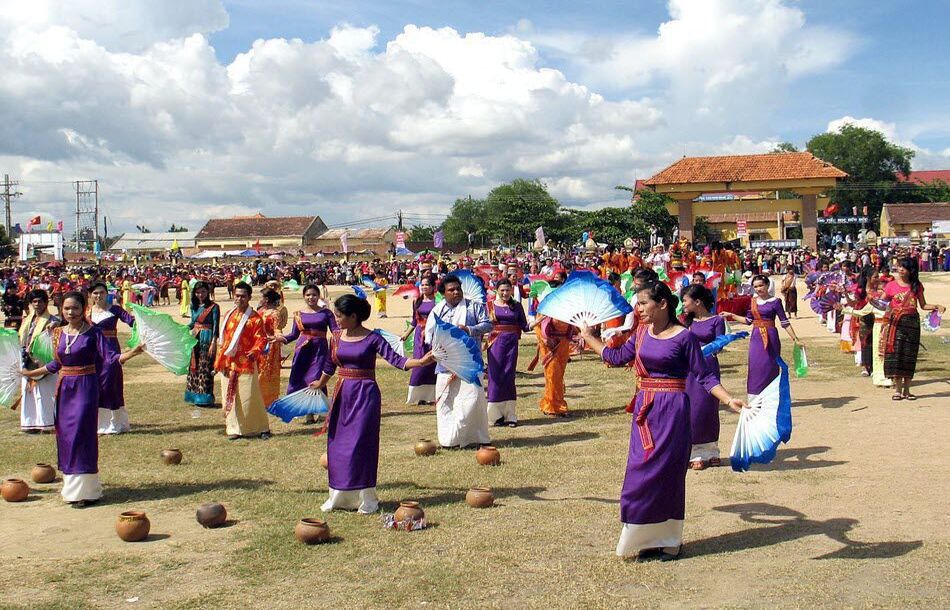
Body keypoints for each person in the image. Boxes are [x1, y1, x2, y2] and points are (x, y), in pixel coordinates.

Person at [579, 282, 744, 559]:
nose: (638, 309)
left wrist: (728, 400)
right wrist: (588, 336)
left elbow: (704, 376)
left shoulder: (684, 337)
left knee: (668, 473)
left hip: (674, 410)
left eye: (643, 303)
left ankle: (669, 540)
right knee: (640, 473)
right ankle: (642, 538)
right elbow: (616, 357)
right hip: (645, 410)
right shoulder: (641, 332)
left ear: (663, 304)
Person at [312, 294, 434, 513]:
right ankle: (337, 497)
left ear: (354, 316)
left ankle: (366, 498)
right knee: (337, 444)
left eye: (339, 316)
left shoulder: (373, 338)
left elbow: (397, 360)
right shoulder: (336, 337)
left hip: (365, 394)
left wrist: (422, 361)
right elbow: (329, 366)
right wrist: (319, 383)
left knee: (361, 444)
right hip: (342, 394)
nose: (336, 320)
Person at [22, 291, 145, 506]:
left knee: (82, 433)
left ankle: (87, 491)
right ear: (62, 310)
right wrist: (30, 374)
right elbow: (55, 364)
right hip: (64, 390)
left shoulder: (94, 333)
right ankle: (72, 490)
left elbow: (111, 358)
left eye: (75, 308)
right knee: (66, 435)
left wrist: (132, 353)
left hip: (86, 387)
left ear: (83, 309)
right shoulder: (58, 333)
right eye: (67, 308)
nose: (71, 312)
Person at [425, 274, 493, 449]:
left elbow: (488, 325)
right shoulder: (437, 311)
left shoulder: (474, 307)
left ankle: (474, 437)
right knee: (446, 402)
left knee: (473, 399)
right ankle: (450, 440)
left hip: (470, 362)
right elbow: (429, 335)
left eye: (458, 288)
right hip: (445, 364)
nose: (456, 292)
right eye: (451, 290)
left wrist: (469, 329)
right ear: (443, 293)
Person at [721, 274, 802, 397]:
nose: (759, 289)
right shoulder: (752, 302)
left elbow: (784, 322)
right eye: (756, 287)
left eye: (761, 285)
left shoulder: (775, 302)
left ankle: (771, 395)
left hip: (771, 336)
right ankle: (755, 395)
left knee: (770, 365)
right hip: (756, 337)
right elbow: (748, 321)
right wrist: (731, 315)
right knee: (756, 365)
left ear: (767, 285)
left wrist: (795, 339)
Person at [881, 258, 945, 400]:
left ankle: (907, 390)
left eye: (904, 267)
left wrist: (937, 306)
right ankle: (897, 390)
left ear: (911, 270)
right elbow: (881, 302)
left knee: (909, 355)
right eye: (899, 267)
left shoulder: (917, 286)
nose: (900, 269)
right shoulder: (890, 285)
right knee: (896, 354)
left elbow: (923, 305)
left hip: (912, 323)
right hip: (896, 323)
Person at [214, 282, 271, 440]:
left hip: (246, 361)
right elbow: (224, 339)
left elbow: (261, 339)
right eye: (237, 295)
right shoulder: (228, 315)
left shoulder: (255, 318)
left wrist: (253, 352)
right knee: (228, 395)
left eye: (243, 296)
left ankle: (260, 427)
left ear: (249, 297)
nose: (239, 299)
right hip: (227, 362)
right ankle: (233, 428)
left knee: (250, 396)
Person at [273, 284, 337, 422]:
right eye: (308, 295)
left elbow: (335, 331)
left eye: (314, 294)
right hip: (302, 349)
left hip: (320, 350)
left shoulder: (327, 313)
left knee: (317, 379)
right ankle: (308, 412)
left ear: (318, 296)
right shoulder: (298, 314)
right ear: (304, 296)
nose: (311, 297)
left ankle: (321, 411)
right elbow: (294, 334)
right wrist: (282, 339)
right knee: (301, 379)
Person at [681, 284, 726, 469]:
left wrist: (704, 349)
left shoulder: (717, 320)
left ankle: (712, 450)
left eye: (685, 300)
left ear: (697, 302)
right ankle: (695, 453)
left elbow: (720, 344)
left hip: (708, 366)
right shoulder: (686, 322)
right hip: (690, 369)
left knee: (708, 408)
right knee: (694, 409)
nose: (683, 304)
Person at [88, 281, 135, 435]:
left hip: (110, 351)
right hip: (92, 352)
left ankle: (114, 423)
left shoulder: (115, 310)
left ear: (107, 293)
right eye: (95, 293)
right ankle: (96, 423)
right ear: (91, 295)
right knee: (94, 385)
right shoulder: (86, 312)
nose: (98, 295)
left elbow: (132, 322)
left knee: (110, 384)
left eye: (101, 292)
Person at [486, 279, 528, 427]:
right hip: (495, 344)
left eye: (507, 290)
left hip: (511, 344)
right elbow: (484, 325)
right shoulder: (490, 306)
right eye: (502, 290)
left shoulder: (516, 306)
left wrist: (538, 321)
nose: (505, 293)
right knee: (495, 377)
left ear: (512, 290)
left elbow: (525, 326)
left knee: (509, 376)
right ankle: (494, 416)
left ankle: (510, 415)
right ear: (497, 291)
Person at [18, 289, 60, 433]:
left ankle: (46, 423)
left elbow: (58, 325)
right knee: (28, 391)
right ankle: (30, 423)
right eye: (34, 301)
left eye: (40, 301)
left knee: (44, 393)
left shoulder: (53, 319)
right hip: (26, 359)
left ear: (45, 302)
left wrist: (53, 327)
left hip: (44, 359)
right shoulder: (27, 319)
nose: (37, 304)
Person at [402, 274, 437, 405]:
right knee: (419, 364)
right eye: (422, 284)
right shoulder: (417, 301)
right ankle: (418, 395)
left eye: (427, 284)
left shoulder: (438, 302)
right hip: (419, 336)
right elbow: (414, 320)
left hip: (434, 334)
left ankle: (432, 396)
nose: (424, 287)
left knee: (433, 363)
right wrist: (406, 334)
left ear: (433, 287)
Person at [185, 281, 220, 407]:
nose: (200, 295)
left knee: (205, 367)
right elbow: (192, 323)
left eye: (203, 292)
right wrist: (180, 328)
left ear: (208, 292)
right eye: (198, 292)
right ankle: (194, 394)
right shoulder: (193, 306)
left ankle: (204, 397)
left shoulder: (214, 307)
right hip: (195, 338)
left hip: (207, 337)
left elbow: (216, 325)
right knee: (194, 367)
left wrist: (214, 342)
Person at [256, 288, 284, 407]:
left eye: (261, 297)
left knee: (267, 372)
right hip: (259, 343)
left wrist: (277, 336)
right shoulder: (260, 311)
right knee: (258, 370)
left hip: (270, 344)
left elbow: (277, 329)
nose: (260, 299)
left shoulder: (275, 313)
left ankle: (268, 399)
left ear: (266, 299)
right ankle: (257, 397)